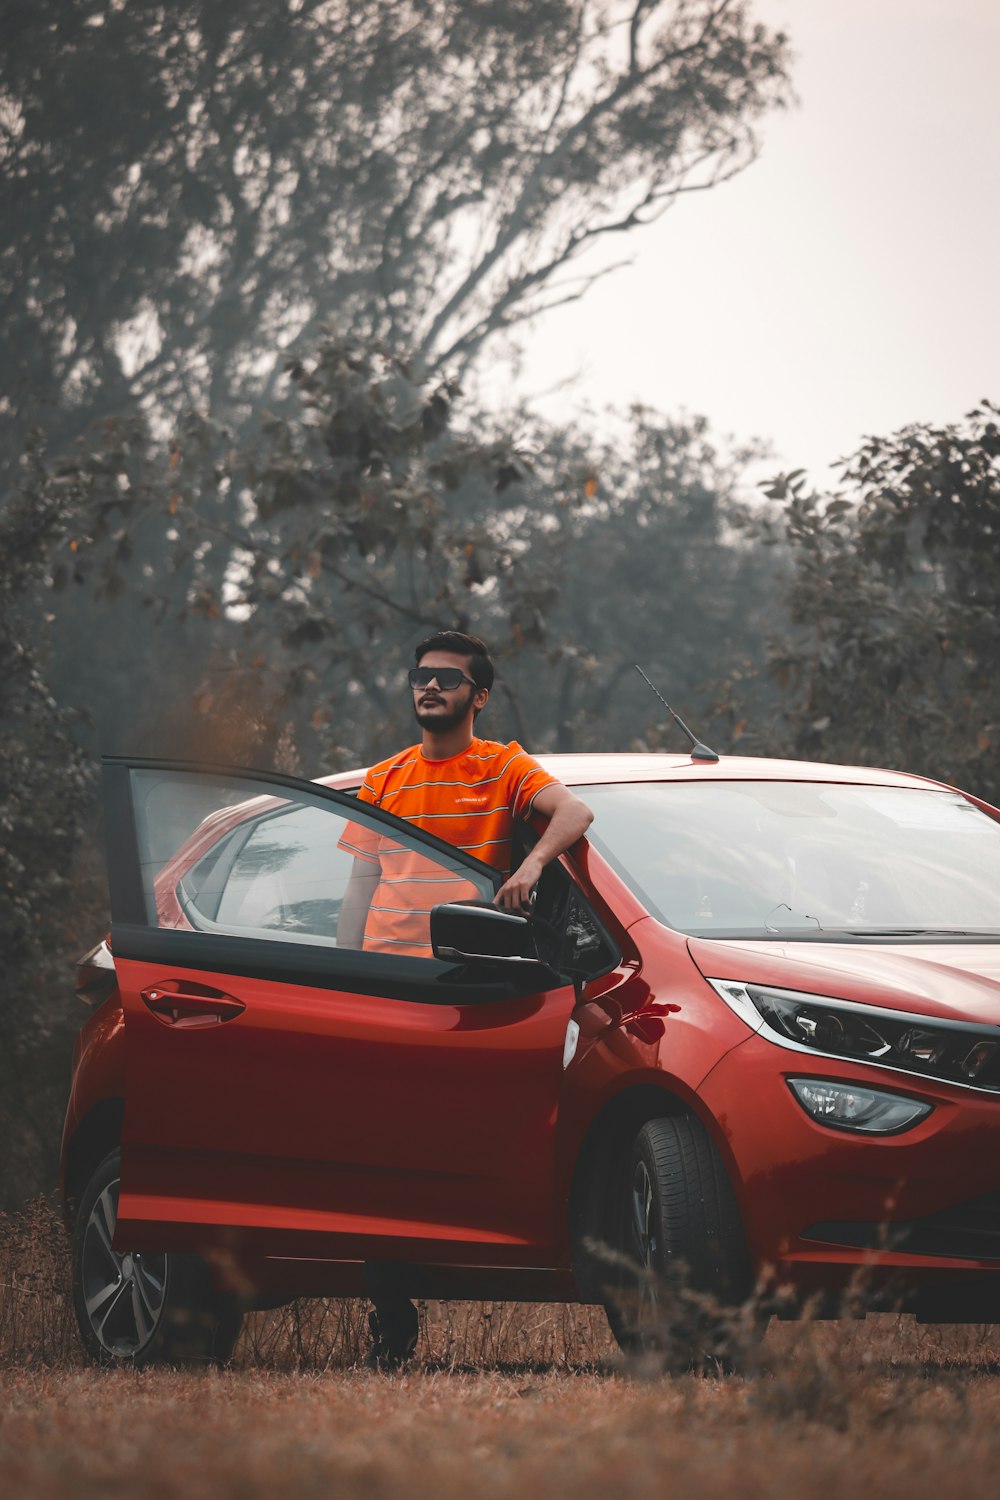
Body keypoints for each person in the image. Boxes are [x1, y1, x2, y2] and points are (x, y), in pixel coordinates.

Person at [337, 629, 593, 1368]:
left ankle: (469, 1273)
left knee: (454, 1145)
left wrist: (534, 866)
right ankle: (390, 1322)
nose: (429, 689)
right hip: (387, 987)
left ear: (478, 695)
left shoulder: (503, 765)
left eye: (447, 680)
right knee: (376, 1157)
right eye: (421, 677)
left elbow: (574, 815)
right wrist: (341, 974)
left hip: (467, 986)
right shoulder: (384, 779)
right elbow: (360, 883)